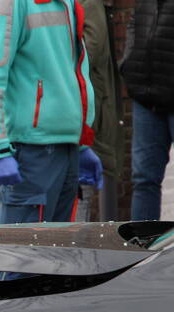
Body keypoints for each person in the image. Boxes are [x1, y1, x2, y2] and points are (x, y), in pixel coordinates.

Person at [0, 0, 104, 224]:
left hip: (65, 149)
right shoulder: (10, 3)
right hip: (31, 152)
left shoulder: (66, 2)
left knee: (59, 254)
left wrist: (80, 143)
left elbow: (73, 72)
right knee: (25, 255)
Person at [121, 0, 174, 221]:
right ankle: (141, 248)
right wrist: (128, 64)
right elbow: (136, 22)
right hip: (146, 96)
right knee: (143, 179)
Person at [77, 0, 124, 222]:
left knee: (81, 187)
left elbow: (93, 49)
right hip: (74, 104)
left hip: (87, 105)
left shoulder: (88, 3)